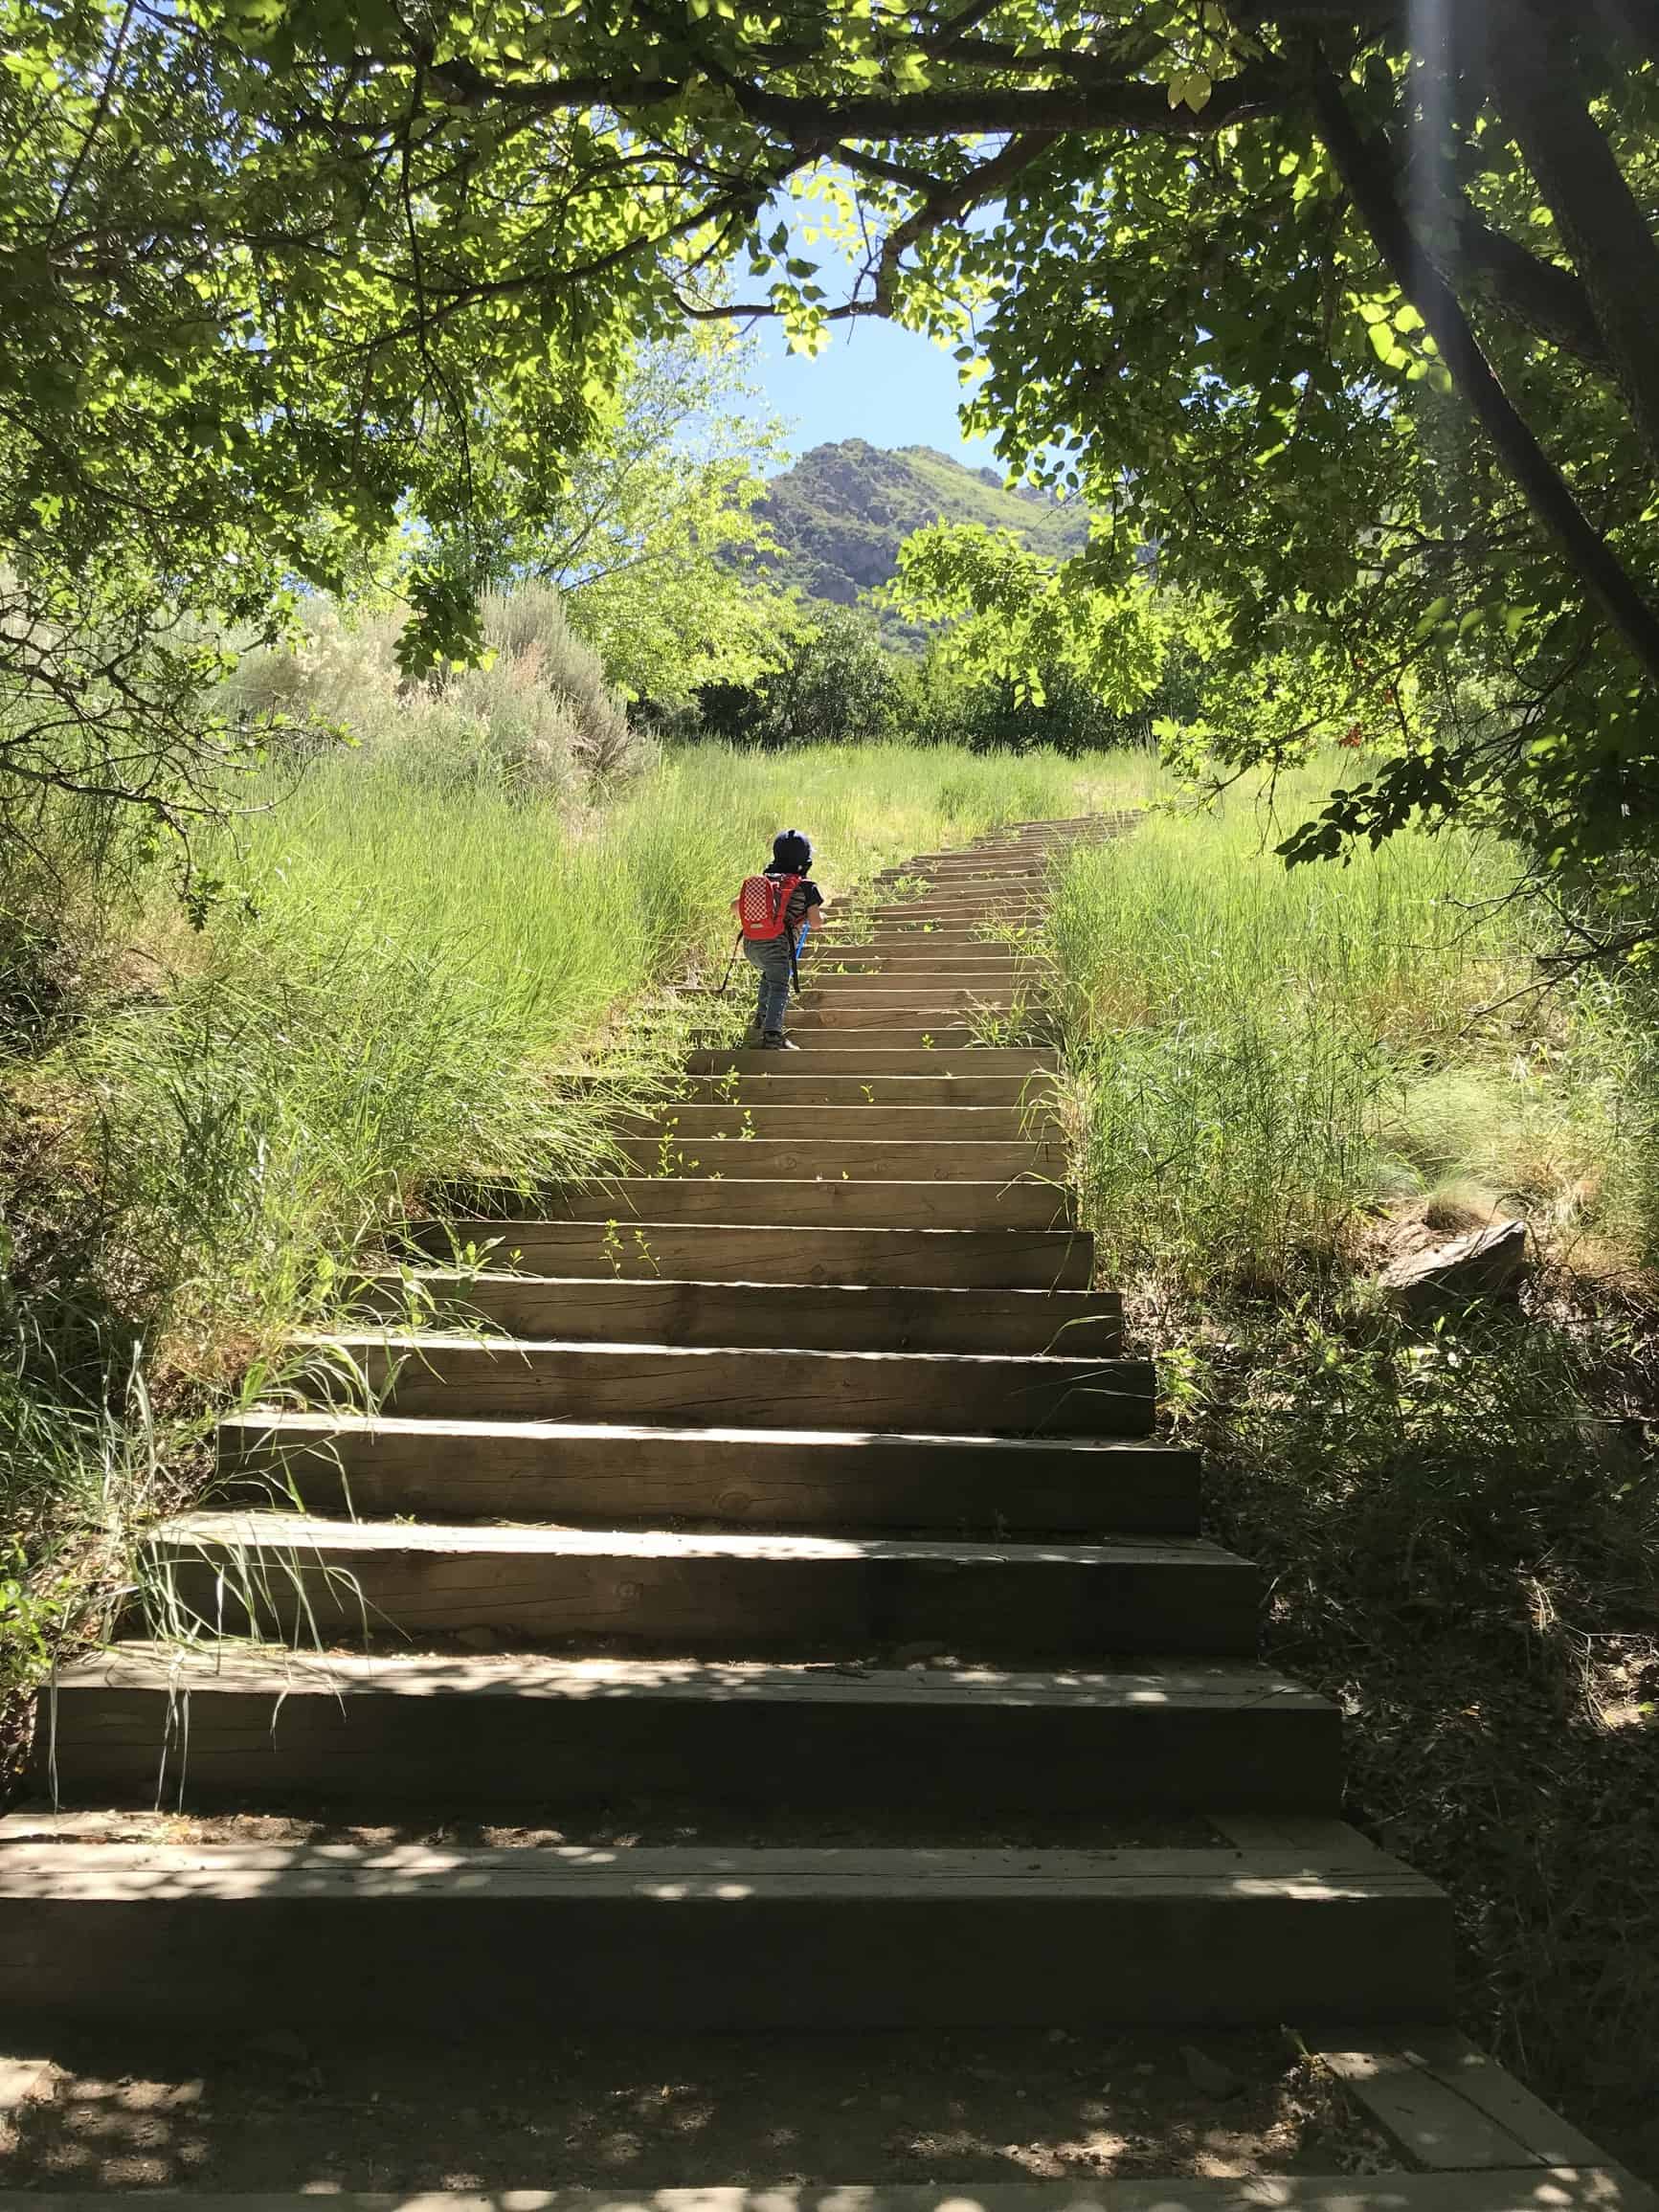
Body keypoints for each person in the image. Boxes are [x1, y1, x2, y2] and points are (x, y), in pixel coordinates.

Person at [740, 828, 826, 1050]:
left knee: (769, 977)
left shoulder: (765, 882)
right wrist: (818, 916)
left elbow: (734, 907)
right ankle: (772, 1034)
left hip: (751, 944)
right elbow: (815, 923)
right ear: (806, 861)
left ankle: (761, 1019)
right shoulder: (807, 888)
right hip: (777, 946)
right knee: (779, 986)